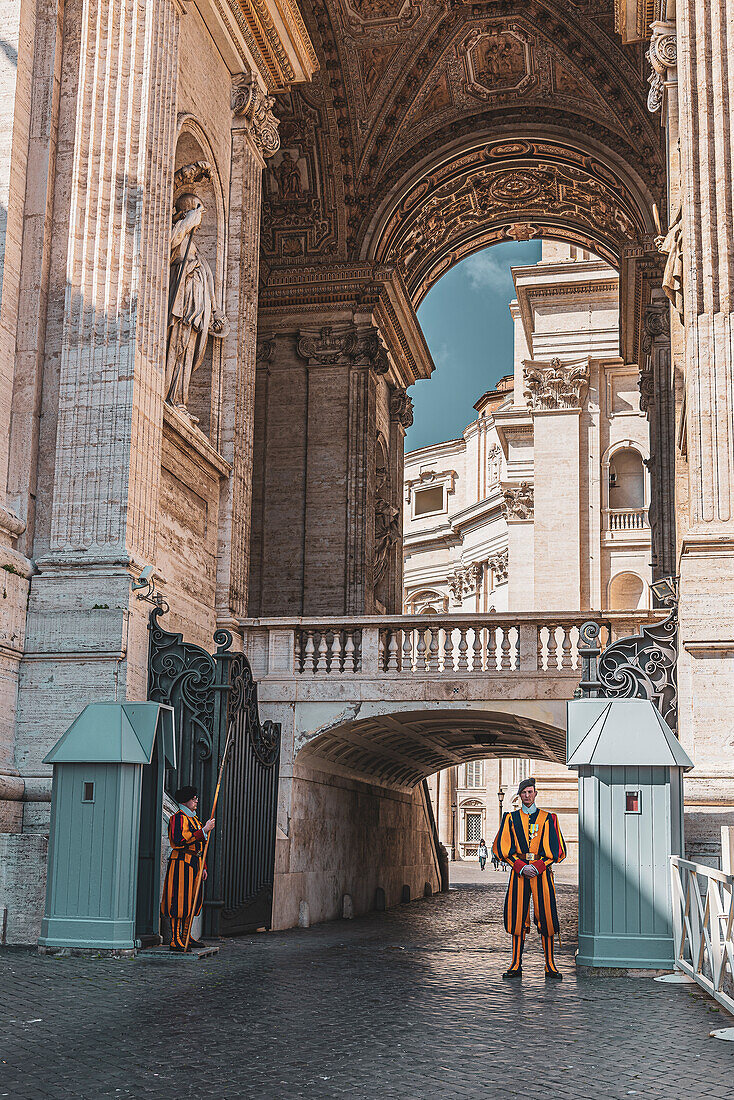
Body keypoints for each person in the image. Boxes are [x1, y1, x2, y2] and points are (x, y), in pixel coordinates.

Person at [492, 777, 566, 979]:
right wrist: (521, 867)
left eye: (530, 792)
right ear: (520, 795)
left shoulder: (549, 818)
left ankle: (550, 964)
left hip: (541, 874)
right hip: (519, 874)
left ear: (535, 794)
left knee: (547, 917)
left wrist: (539, 866)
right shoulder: (510, 818)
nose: (527, 795)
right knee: (517, 918)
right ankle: (515, 964)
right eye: (524, 792)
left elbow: (558, 850)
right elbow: (502, 848)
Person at [161, 785, 215, 951]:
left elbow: (201, 846)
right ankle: (176, 939)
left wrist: (203, 866)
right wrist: (203, 830)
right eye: (193, 798)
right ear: (186, 800)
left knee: (192, 901)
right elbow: (179, 840)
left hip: (195, 864)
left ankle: (186, 935)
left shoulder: (194, 819)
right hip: (181, 863)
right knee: (179, 900)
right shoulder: (178, 818)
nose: (196, 800)